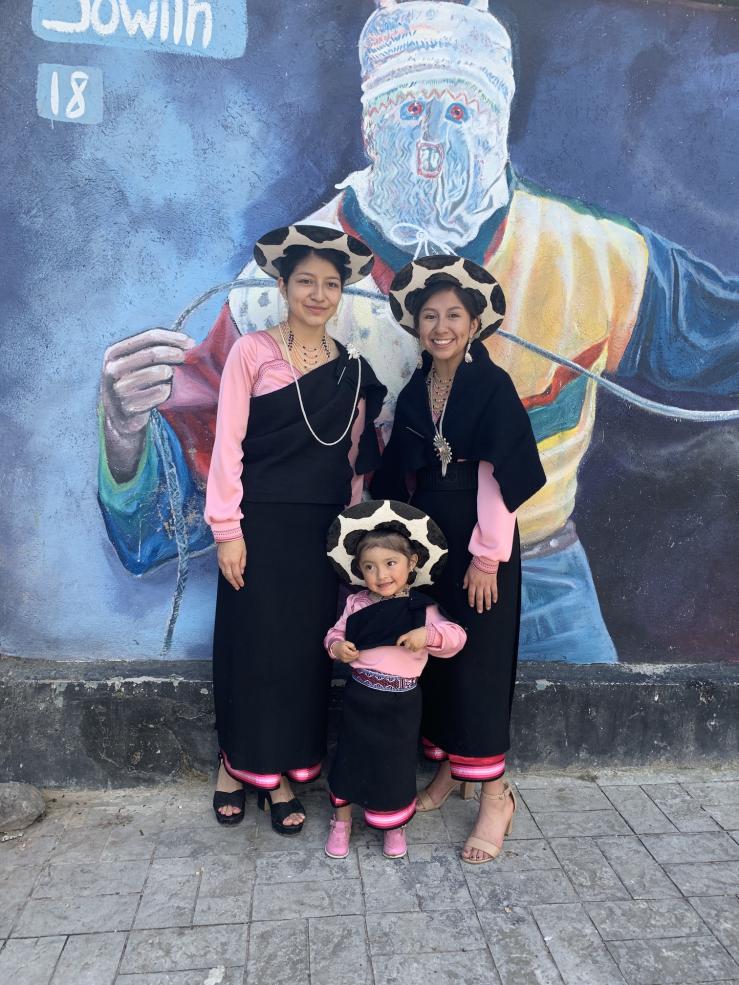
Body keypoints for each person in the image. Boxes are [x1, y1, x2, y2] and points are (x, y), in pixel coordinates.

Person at [97, 0, 739, 664]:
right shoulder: (281, 283)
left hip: (533, 579)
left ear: (497, 128)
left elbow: (719, 337)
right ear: (371, 128)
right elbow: (189, 489)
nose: (431, 141)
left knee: (594, 731)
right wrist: (124, 431)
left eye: (459, 113)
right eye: (409, 111)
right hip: (362, 578)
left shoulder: (593, 257)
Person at [207, 224, 386, 830]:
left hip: (321, 536)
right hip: (258, 526)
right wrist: (227, 529)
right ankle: (236, 765)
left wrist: (356, 541)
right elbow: (226, 443)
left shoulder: (352, 371)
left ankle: (282, 770)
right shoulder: (252, 353)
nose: (317, 293)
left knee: (301, 656)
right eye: (305, 281)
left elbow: (356, 462)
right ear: (282, 286)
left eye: (330, 284)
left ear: (343, 292)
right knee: (253, 649)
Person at [372, 255, 546, 864]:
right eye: (429, 316)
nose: (440, 326)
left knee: (479, 664)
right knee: (437, 657)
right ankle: (449, 770)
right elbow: (400, 477)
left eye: (453, 315)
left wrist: (488, 557)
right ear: (416, 325)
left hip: (478, 543)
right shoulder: (417, 390)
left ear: (474, 324)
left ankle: (495, 796)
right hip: (431, 546)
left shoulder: (490, 387)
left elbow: (502, 475)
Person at [322, 500, 467, 860]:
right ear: (358, 570)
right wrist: (337, 648)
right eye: (369, 567)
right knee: (349, 760)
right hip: (360, 698)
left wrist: (428, 637)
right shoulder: (356, 603)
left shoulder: (422, 608)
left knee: (395, 765)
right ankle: (341, 821)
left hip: (401, 704)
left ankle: (393, 823)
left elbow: (457, 637)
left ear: (412, 563)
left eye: (390, 564)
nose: (381, 575)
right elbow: (333, 634)